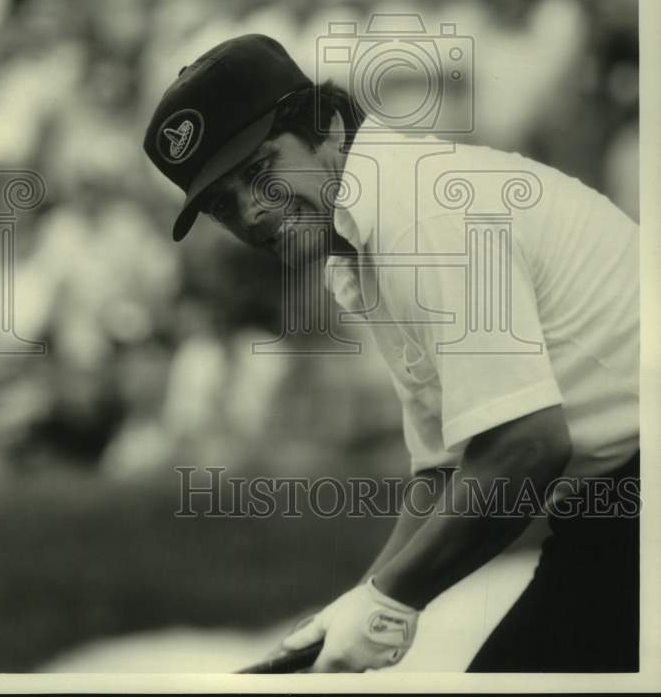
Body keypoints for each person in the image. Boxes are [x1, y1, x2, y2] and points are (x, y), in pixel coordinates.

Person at [142, 33, 639, 673]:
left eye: (260, 171)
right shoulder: (373, 222)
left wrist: (388, 599)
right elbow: (444, 471)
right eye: (221, 204)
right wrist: (345, 618)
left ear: (325, 126)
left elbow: (527, 446)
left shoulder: (415, 212)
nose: (252, 212)